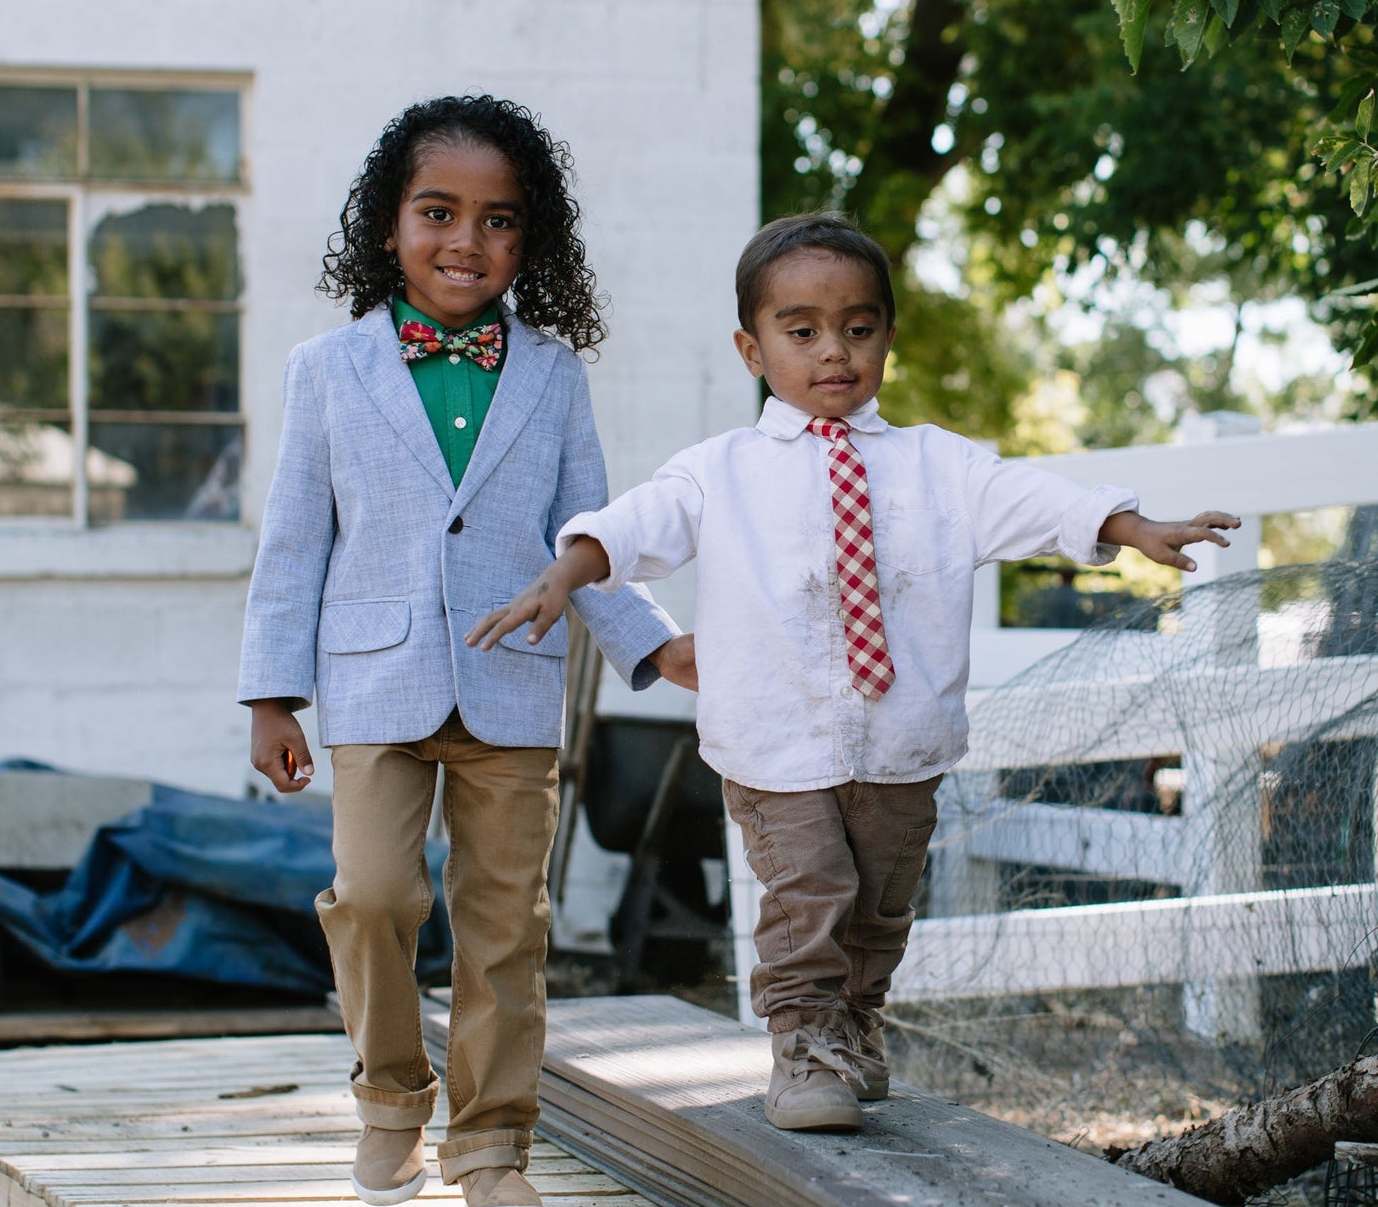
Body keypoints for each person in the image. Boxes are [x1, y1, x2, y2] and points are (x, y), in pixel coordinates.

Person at [469, 212, 1238, 1134]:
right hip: (774, 740)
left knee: (878, 905)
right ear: (752, 349)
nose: (833, 352)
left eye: (858, 328)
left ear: (886, 336)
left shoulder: (935, 465)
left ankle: (854, 1024)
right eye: (802, 332)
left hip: (900, 738)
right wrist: (568, 570)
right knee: (809, 897)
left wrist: (1129, 527)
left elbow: (1028, 498)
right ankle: (799, 1044)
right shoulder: (719, 472)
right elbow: (636, 524)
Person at [239, 95, 693, 1207]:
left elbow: (589, 538)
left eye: (498, 220)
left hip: (513, 680)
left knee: (505, 924)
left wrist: (653, 643)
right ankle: (390, 1097)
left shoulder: (550, 374)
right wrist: (269, 692)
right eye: (437, 213)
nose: (466, 241)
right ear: (387, 226)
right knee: (377, 894)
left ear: (527, 240)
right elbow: (293, 538)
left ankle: (492, 1147)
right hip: (372, 682)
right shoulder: (327, 368)